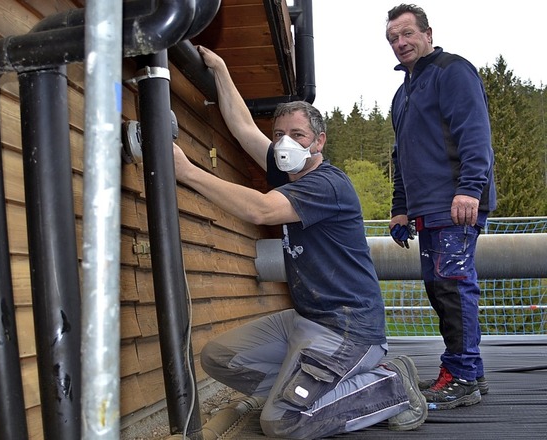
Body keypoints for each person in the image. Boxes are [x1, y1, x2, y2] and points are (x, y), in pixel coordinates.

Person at [171, 45, 427, 439]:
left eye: (297, 135)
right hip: (306, 320)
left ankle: (391, 383)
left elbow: (260, 211)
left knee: (281, 423)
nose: (284, 143)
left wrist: (187, 172)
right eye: (279, 135)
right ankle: (299, 393)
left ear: (318, 142)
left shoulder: (327, 184)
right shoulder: (288, 172)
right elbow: (242, 130)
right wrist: (221, 69)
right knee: (219, 358)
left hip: (348, 330)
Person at [385, 4, 497, 410]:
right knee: (438, 288)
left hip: (457, 203)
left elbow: (475, 133)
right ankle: (470, 370)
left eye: (407, 34)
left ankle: (463, 376)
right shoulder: (402, 94)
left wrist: (470, 188)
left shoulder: (452, 71)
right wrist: (400, 208)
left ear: (428, 33)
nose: (400, 43)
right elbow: (401, 156)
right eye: (393, 38)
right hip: (426, 208)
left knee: (452, 286)